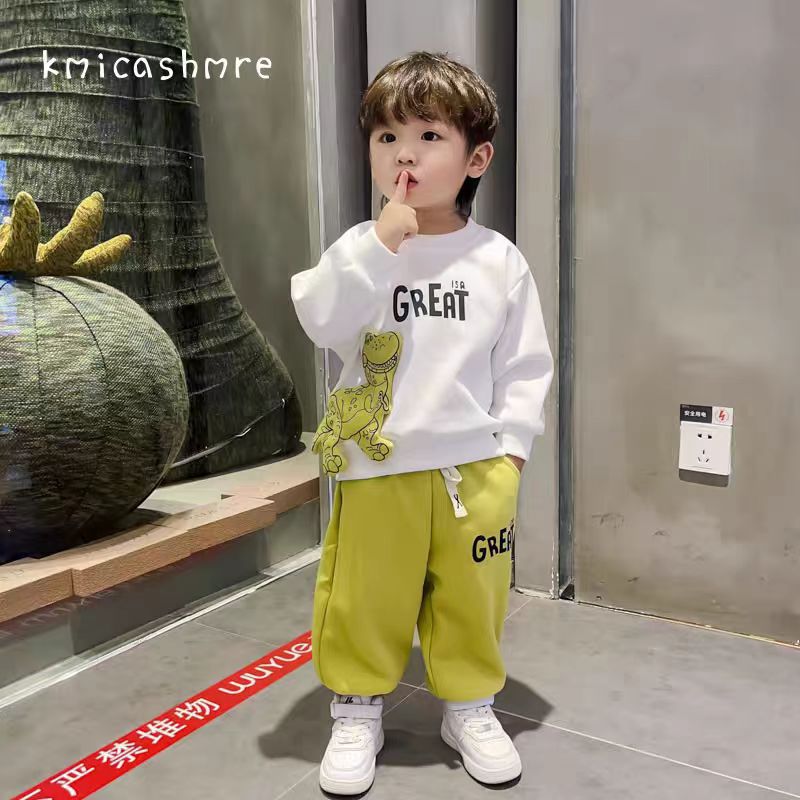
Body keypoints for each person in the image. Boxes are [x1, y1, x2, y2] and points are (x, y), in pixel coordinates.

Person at [290, 51, 554, 795]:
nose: (404, 154)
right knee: (363, 596)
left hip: (475, 472)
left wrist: (511, 456)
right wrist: (381, 245)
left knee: (472, 597)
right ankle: (356, 709)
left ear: (476, 159)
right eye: (387, 137)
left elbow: (525, 364)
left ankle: (469, 706)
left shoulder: (498, 260)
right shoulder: (359, 249)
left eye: (429, 136)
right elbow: (322, 321)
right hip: (378, 469)